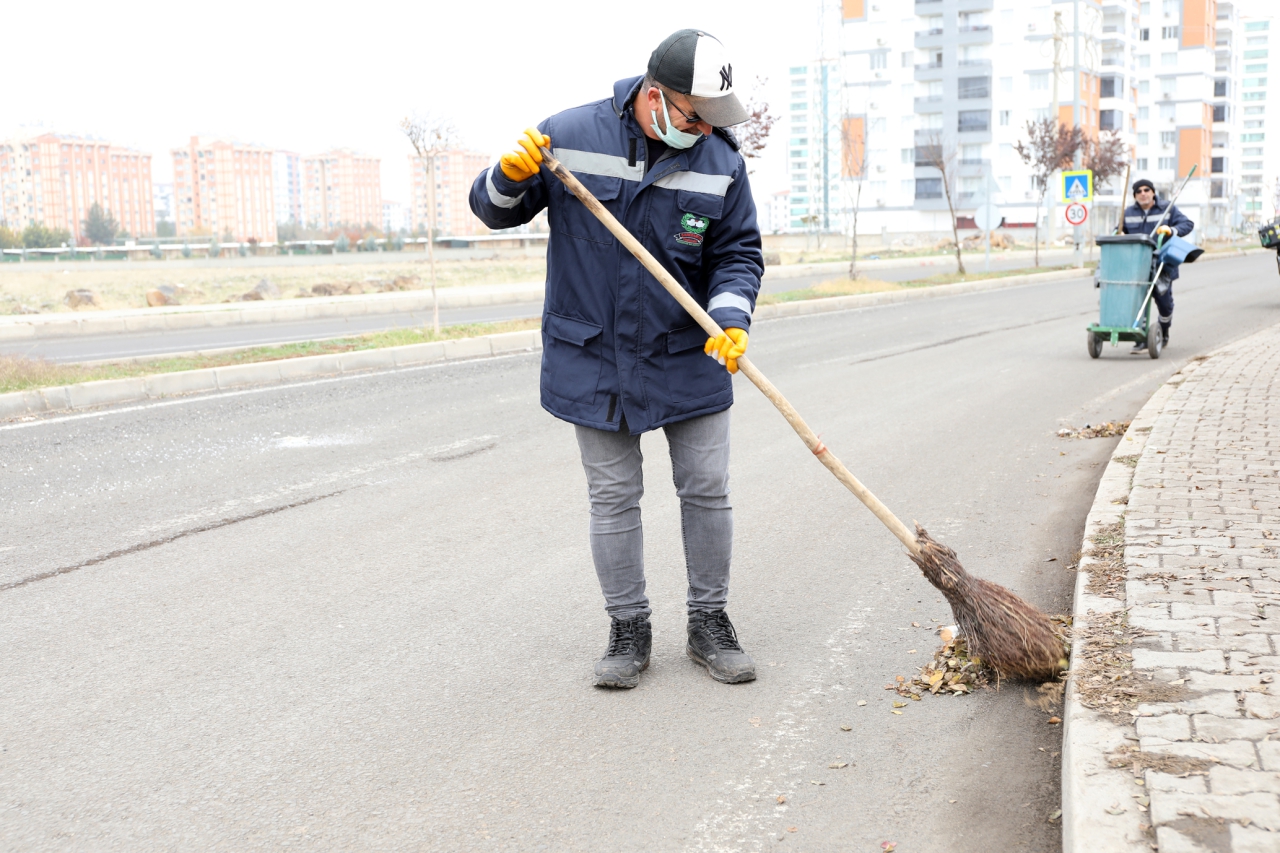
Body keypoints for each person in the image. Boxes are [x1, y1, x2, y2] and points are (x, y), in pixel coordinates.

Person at [469, 30, 764, 689]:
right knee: (613, 496)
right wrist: (506, 176)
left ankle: (709, 621)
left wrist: (730, 317)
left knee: (707, 488)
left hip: (688, 350)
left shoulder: (720, 161)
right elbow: (492, 211)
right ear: (656, 97)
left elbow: (737, 254)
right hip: (594, 356)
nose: (706, 129)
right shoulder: (567, 136)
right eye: (696, 114)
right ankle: (628, 628)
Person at [1119, 178, 1194, 352]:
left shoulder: (1167, 209)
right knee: (1137, 302)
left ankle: (1163, 331)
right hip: (1137, 266)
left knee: (1165, 304)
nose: (1143, 193)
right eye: (1139, 191)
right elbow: (1120, 231)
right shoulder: (1128, 213)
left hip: (1162, 265)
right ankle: (1142, 337)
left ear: (1153, 192)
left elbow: (1187, 224)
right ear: (1135, 195)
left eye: (1146, 190)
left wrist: (1171, 230)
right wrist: (1119, 232)